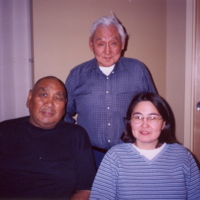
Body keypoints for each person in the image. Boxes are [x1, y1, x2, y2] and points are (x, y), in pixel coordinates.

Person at [64, 15, 156, 167]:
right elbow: (63, 113)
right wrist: (75, 138)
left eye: (113, 43)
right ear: (91, 44)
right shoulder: (77, 75)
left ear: (123, 43)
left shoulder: (138, 70)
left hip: (131, 154)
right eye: (101, 44)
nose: (107, 51)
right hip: (89, 156)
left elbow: (154, 111)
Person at [0, 76, 96, 200]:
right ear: (29, 98)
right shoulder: (5, 130)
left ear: (64, 106)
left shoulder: (77, 135)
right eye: (44, 94)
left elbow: (86, 190)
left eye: (58, 98)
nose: (50, 103)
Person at [90, 92, 200, 199]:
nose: (144, 124)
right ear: (130, 122)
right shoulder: (114, 157)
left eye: (153, 118)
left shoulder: (183, 156)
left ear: (163, 124)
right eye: (138, 117)